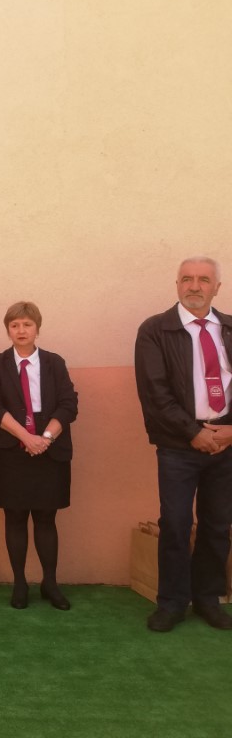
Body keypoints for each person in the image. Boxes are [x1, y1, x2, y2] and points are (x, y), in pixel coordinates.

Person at [134, 256, 232, 632]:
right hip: (178, 444)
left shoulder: (230, 328)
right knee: (175, 524)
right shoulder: (155, 330)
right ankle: (173, 603)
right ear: (177, 285)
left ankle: (208, 599)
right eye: (187, 279)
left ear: (217, 288)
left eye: (203, 280)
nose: (194, 286)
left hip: (226, 442)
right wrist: (194, 432)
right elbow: (154, 392)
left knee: (217, 525)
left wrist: (230, 432)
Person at [0, 302, 78, 611]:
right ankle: (20, 583)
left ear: (37, 328)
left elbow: (68, 404)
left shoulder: (54, 363)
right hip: (10, 449)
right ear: (7, 330)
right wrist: (25, 437)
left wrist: (45, 438)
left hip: (50, 447)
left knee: (47, 518)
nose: (21, 330)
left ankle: (50, 583)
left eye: (27, 324)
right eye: (14, 325)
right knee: (15, 516)